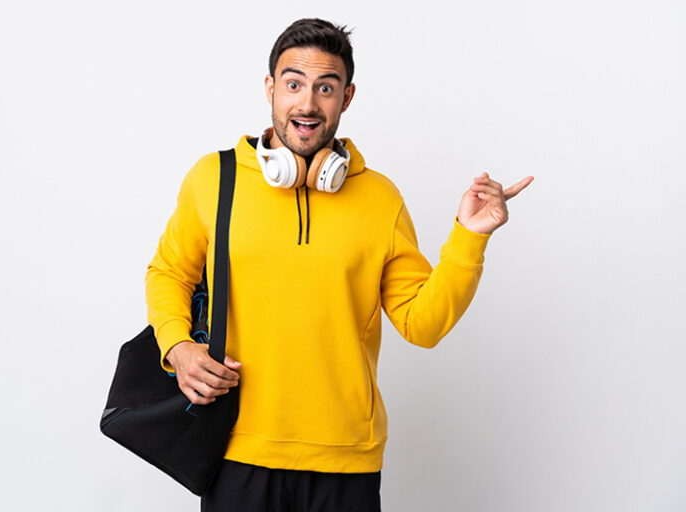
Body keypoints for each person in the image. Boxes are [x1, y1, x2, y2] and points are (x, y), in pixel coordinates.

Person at [145, 18, 533, 512]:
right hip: (234, 452)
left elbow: (423, 324)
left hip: (346, 461)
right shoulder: (213, 179)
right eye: (293, 84)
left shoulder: (380, 198)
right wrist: (177, 347)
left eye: (325, 88)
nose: (307, 104)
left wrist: (469, 238)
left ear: (346, 97)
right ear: (270, 87)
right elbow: (169, 273)